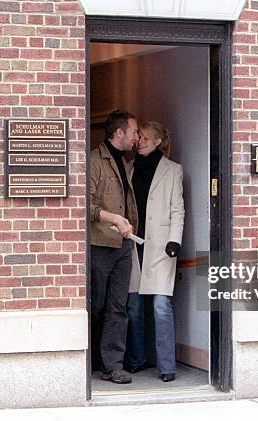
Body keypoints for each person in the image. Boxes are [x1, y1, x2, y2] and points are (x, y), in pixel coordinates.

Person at [124, 121, 184, 382]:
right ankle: (136, 359)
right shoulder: (128, 168)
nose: (141, 141)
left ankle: (167, 366)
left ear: (159, 141)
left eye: (147, 138)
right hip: (133, 242)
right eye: (140, 137)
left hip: (162, 246)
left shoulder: (173, 170)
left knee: (161, 305)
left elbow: (177, 210)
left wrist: (175, 241)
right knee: (134, 306)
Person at [90, 110, 139, 384]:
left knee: (118, 307)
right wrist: (114, 219)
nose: (137, 136)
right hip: (99, 245)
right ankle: (91, 360)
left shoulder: (124, 161)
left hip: (122, 246)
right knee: (96, 306)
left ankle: (113, 366)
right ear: (118, 133)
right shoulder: (96, 161)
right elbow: (85, 205)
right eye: (133, 131)